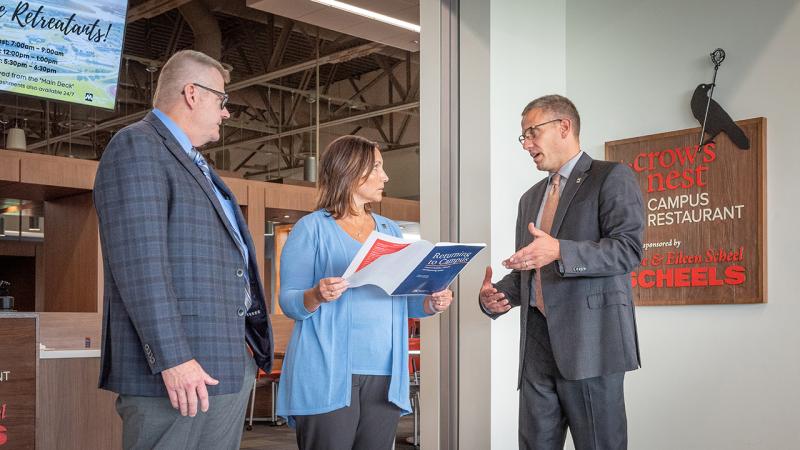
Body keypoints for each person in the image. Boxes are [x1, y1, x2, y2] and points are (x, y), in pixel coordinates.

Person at [93, 49, 273, 450]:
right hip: (176, 372)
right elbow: (142, 267)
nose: (226, 113)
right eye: (222, 100)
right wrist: (173, 358)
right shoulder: (137, 147)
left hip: (222, 361)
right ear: (192, 93)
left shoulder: (197, 165)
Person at [479, 95, 644, 450]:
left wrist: (560, 249)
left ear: (564, 127)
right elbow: (535, 267)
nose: (526, 144)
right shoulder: (530, 198)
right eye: (523, 137)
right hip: (536, 348)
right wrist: (501, 295)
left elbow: (628, 250)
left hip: (592, 346)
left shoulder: (611, 177)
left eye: (532, 133)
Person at [276, 135, 453, 450]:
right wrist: (316, 295)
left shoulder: (390, 230)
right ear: (349, 170)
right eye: (377, 168)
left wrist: (429, 302)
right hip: (327, 371)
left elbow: (398, 298)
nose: (385, 177)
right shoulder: (312, 228)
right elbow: (289, 301)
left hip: (386, 372)